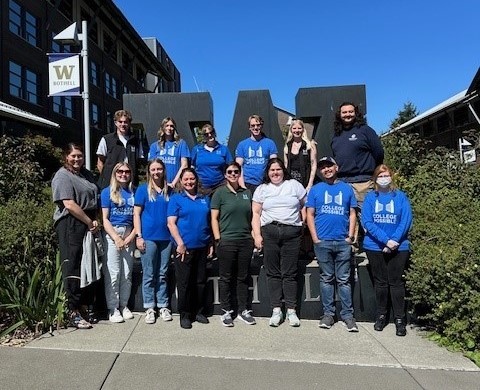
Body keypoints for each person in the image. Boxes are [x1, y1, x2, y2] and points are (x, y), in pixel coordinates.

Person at [306, 156, 359, 332]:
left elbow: (352, 213)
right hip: (323, 241)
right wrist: (315, 238)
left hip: (343, 241)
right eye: (323, 167)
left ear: (336, 167)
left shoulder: (346, 188)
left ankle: (348, 316)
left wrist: (350, 236)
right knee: (326, 278)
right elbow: (310, 215)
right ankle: (328, 314)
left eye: (329, 166)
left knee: (344, 280)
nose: (326, 169)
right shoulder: (316, 190)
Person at [252, 158, 306, 327]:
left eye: (278, 169)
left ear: (284, 170)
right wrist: (257, 236)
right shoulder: (262, 189)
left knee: (289, 273)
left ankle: (291, 310)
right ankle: (276, 310)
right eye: (272, 170)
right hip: (270, 232)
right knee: (273, 272)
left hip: (292, 233)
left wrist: (301, 222)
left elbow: (304, 205)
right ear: (267, 173)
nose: (275, 173)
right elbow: (255, 214)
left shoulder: (294, 185)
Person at [52, 143, 100, 329]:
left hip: (87, 221)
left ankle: (82, 306)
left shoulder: (85, 174)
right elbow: (69, 204)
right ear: (66, 156)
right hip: (71, 223)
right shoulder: (62, 176)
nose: (77, 159)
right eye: (73, 156)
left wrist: (93, 221)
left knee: (86, 264)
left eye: (79, 156)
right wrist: (88, 221)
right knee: (71, 265)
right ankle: (72, 310)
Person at [361, 164, 413, 337]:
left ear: (391, 177)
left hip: (400, 246)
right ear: (375, 179)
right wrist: (385, 240)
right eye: (380, 176)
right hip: (374, 245)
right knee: (381, 283)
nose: (384, 178)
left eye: (386, 175)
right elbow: (367, 222)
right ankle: (381, 315)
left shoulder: (400, 197)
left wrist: (394, 241)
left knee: (396, 283)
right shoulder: (370, 198)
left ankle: (399, 319)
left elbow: (406, 220)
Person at [331, 102, 384, 245]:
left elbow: (379, 153)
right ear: (339, 115)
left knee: (368, 219)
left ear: (356, 113)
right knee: (346, 220)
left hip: (363, 182)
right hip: (343, 182)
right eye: (344, 112)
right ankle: (350, 252)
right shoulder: (337, 135)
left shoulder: (365, 131)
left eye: (350, 112)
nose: (347, 114)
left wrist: (370, 170)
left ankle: (376, 249)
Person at [211, 162, 255, 327]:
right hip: (227, 241)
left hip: (245, 241)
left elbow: (252, 217)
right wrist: (218, 239)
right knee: (226, 278)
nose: (233, 174)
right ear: (225, 174)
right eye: (229, 172)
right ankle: (226, 311)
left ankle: (244, 310)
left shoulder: (247, 193)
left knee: (243, 277)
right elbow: (214, 218)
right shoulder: (219, 194)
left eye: (236, 171)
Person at [167, 168, 211, 329]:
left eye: (192, 179)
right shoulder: (176, 199)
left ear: (196, 180)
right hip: (183, 248)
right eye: (186, 179)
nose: (189, 182)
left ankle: (198, 312)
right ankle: (184, 315)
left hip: (202, 246)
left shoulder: (204, 198)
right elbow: (171, 223)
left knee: (200, 282)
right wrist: (180, 243)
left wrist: (210, 243)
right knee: (184, 282)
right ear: (181, 181)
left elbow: (208, 221)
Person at [133, 159, 173, 324]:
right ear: (149, 172)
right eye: (153, 169)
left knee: (162, 274)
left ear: (164, 170)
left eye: (159, 169)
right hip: (148, 238)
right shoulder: (143, 190)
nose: (156, 172)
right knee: (149, 274)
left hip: (167, 238)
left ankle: (163, 305)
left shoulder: (170, 190)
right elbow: (136, 214)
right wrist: (139, 236)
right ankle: (150, 307)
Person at [101, 162, 136, 323]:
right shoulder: (107, 192)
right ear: (115, 173)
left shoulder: (134, 192)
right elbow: (104, 219)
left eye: (127, 171)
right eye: (120, 171)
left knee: (127, 273)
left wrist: (130, 237)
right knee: (113, 273)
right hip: (112, 233)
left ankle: (124, 305)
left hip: (129, 233)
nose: (123, 174)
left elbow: (138, 218)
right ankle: (113, 308)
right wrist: (116, 237)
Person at [96, 109, 144, 189]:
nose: (123, 124)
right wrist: (107, 177)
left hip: (130, 184)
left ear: (129, 123)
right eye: (120, 122)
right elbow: (100, 162)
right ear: (115, 123)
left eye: (125, 122)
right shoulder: (107, 139)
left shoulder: (136, 141)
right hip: (110, 185)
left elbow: (138, 162)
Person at [235, 114, 278, 193]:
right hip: (248, 184)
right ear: (249, 127)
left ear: (261, 126)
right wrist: (242, 185)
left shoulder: (270, 143)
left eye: (258, 125)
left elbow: (274, 165)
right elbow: (238, 167)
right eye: (253, 125)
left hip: (265, 183)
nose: (255, 128)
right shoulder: (242, 145)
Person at [148, 117, 190, 189]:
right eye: (166, 125)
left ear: (174, 128)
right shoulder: (155, 146)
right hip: (159, 186)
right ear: (162, 128)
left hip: (176, 185)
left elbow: (184, 165)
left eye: (171, 126)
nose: (169, 128)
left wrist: (174, 183)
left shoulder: (181, 144)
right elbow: (151, 167)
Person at [191, 124, 233, 196]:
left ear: (214, 133)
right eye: (206, 134)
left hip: (220, 186)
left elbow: (231, 166)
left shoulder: (223, 149)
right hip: (201, 187)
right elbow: (191, 167)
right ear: (203, 136)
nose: (210, 135)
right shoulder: (197, 149)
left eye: (211, 132)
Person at [284, 118, 317, 192]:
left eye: (299, 128)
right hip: (291, 184)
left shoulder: (309, 145)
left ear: (303, 129)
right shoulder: (287, 146)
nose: (297, 130)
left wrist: (309, 185)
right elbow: (286, 165)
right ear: (291, 130)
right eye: (294, 128)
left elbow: (313, 165)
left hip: (305, 183)